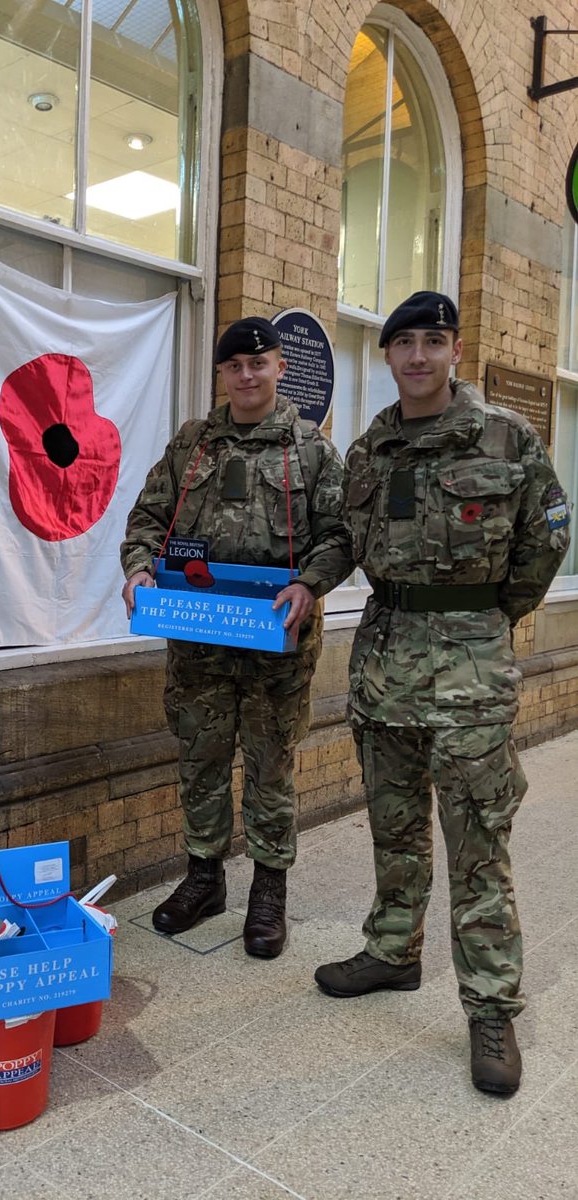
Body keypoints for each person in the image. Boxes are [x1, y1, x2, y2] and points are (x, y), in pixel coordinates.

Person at [314, 291, 570, 1095]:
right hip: (385, 664)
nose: (418, 356)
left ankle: (490, 1006)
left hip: (468, 674)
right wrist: (305, 584)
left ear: (453, 350)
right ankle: (393, 952)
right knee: (394, 828)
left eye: (432, 341)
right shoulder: (369, 450)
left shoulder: (508, 438)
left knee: (477, 845)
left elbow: (546, 539)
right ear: (386, 357)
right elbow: (343, 541)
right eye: (404, 344)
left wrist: (486, 620)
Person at [121, 316, 350, 957]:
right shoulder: (192, 444)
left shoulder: (311, 450)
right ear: (221, 374)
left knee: (271, 767)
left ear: (280, 367)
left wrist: (310, 584)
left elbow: (340, 534)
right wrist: (138, 567)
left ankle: (268, 890)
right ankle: (204, 878)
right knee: (201, 761)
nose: (246, 375)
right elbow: (148, 516)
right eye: (233, 366)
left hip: (277, 646)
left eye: (259, 363)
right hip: (199, 644)